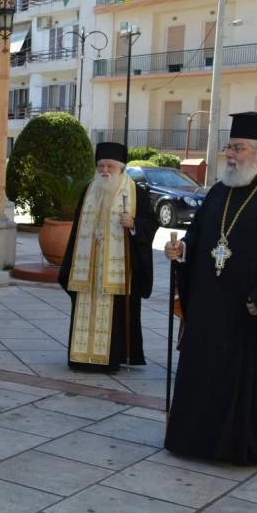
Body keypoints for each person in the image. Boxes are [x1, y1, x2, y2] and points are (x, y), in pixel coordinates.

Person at [164, 111, 257, 466]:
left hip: (248, 313)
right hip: (209, 311)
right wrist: (181, 249)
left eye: (239, 148)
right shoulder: (218, 192)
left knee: (240, 385)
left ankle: (238, 449)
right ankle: (192, 441)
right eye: (229, 147)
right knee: (203, 379)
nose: (230, 154)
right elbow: (200, 239)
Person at [58, 142, 158, 373]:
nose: (104, 170)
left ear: (121, 168)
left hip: (119, 270)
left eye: (109, 166)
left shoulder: (136, 192)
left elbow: (152, 222)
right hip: (88, 269)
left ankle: (113, 358)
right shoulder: (88, 190)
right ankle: (81, 358)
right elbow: (76, 231)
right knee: (85, 308)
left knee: (116, 313)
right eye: (101, 165)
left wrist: (134, 224)